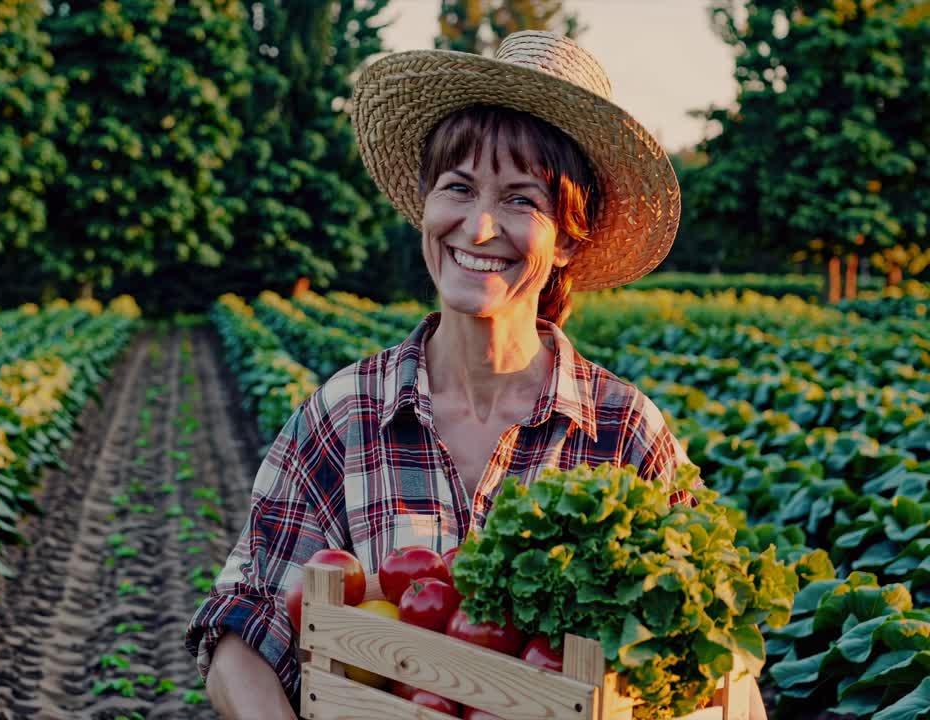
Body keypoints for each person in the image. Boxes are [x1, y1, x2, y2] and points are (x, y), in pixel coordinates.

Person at [185, 31, 767, 720]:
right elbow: (241, 627)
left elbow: (718, 664)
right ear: (426, 206)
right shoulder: (349, 412)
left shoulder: (624, 431)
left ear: (569, 238)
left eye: (521, 200)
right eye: (458, 187)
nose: (480, 225)